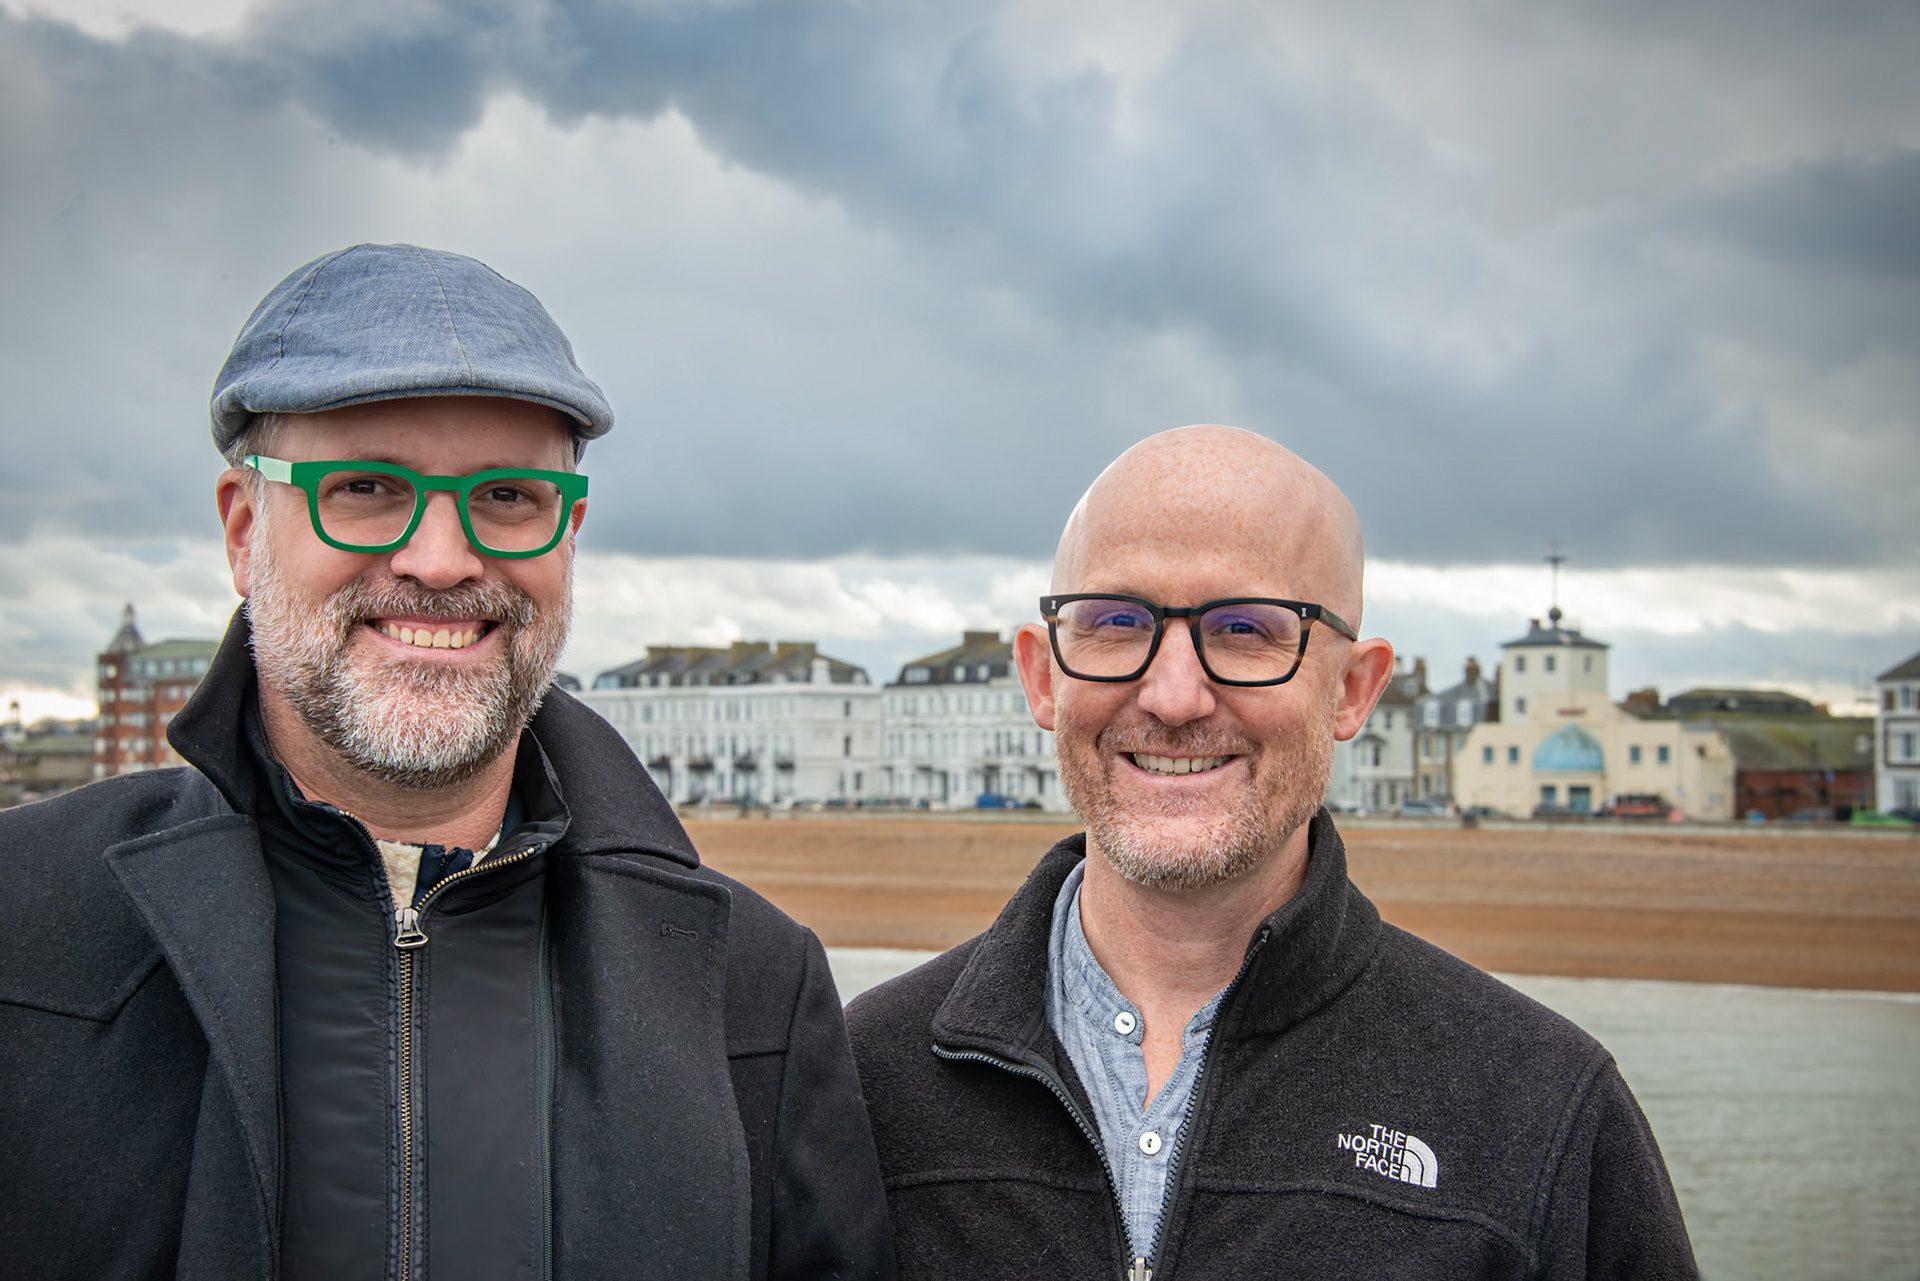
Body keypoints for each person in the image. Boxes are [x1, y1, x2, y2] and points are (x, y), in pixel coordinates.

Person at [0, 244, 892, 1280]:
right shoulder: (23, 927)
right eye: (368, 487)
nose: (440, 558)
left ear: (570, 535)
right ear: (244, 531)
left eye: (509, 497)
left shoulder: (755, 989)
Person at [846, 426, 1696, 1279]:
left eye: (1246, 628)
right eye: (1115, 621)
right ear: (1042, 676)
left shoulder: (1537, 1106)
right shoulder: (860, 1080)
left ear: (1352, 689)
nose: (1174, 696)